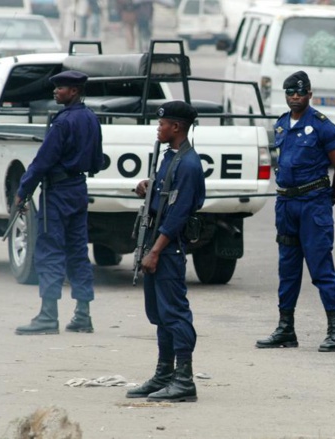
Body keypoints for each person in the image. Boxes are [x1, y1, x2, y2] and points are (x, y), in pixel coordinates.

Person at [256, 71, 335, 353]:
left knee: (321, 269)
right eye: (290, 92)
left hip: (313, 205)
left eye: (300, 92)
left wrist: (330, 196)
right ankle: (286, 329)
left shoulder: (322, 126)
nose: (295, 96)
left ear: (310, 94)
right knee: (287, 269)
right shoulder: (282, 125)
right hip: (286, 206)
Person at [14, 71, 103, 336]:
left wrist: (23, 190)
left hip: (58, 191)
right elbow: (97, 160)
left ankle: (48, 316)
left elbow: (43, 161)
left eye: (60, 87)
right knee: (77, 251)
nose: (55, 91)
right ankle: (82, 315)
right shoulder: (91, 118)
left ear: (73, 91)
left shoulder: (63, 123)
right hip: (78, 189)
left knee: (50, 250)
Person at [127, 101, 205, 403]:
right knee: (159, 314)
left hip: (168, 249)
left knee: (175, 314)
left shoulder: (188, 163)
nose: (158, 128)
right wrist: (149, 185)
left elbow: (179, 214)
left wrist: (156, 251)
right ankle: (164, 374)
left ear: (176, 127)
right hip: (156, 244)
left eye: (162, 124)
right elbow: (166, 195)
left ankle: (184, 380)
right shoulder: (170, 157)